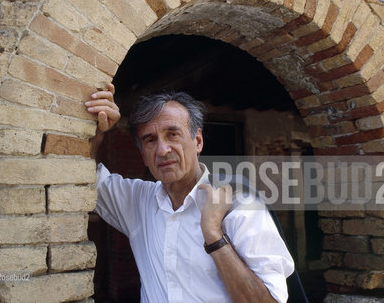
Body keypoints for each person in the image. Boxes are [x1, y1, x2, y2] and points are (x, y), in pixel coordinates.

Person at [85, 83, 294, 303]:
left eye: (173, 134)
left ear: (198, 141)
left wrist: (214, 235)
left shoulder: (241, 207)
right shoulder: (138, 202)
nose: (163, 150)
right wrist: (96, 133)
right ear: (144, 156)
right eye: (150, 140)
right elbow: (83, 177)